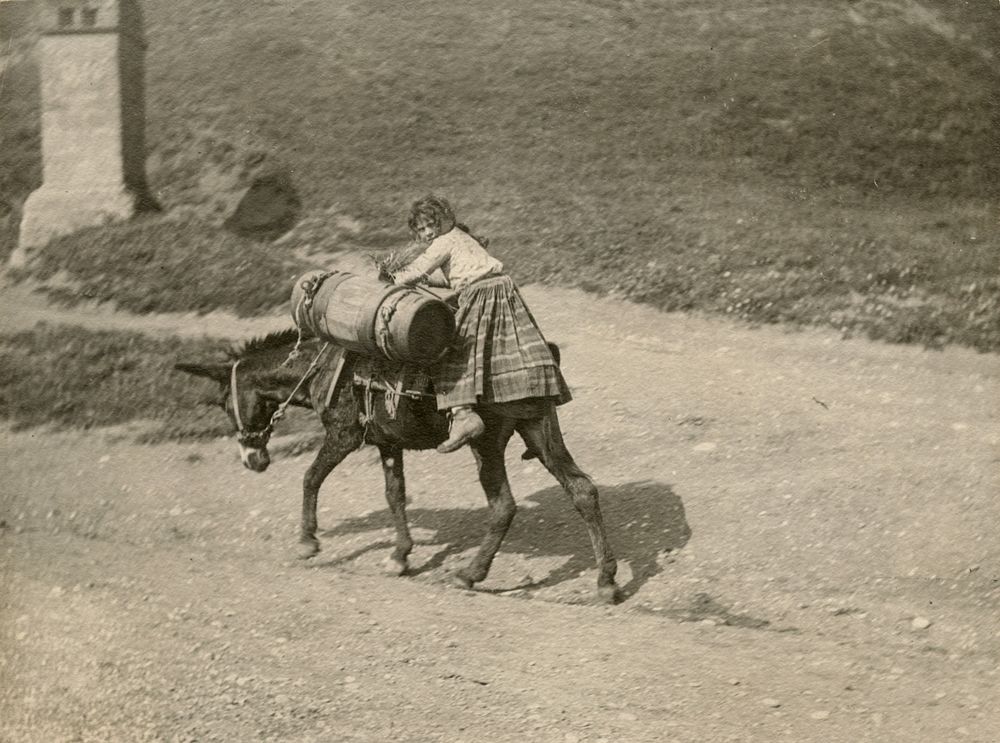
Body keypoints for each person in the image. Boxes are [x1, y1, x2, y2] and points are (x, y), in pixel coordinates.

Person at [391, 195, 571, 453]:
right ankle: (534, 419)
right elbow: (458, 276)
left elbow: (416, 271)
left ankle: (463, 415)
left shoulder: (444, 241)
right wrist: (431, 282)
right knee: (511, 350)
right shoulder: (464, 239)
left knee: (453, 351)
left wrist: (392, 278)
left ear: (445, 219)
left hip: (481, 295)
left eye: (431, 224)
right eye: (421, 229)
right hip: (504, 289)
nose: (427, 232)